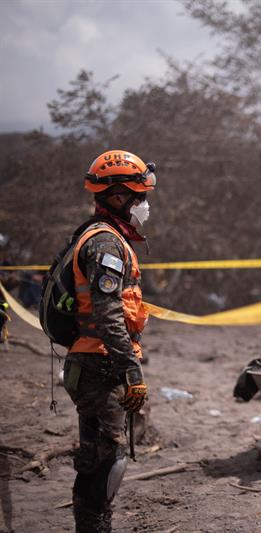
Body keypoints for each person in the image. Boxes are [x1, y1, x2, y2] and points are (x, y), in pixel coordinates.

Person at [61, 150, 156, 532]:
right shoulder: (106, 245)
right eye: (140, 197)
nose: (145, 206)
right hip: (99, 365)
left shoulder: (105, 237)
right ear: (118, 197)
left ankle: (95, 523)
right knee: (106, 460)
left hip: (95, 363)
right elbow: (108, 315)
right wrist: (132, 372)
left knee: (98, 457)